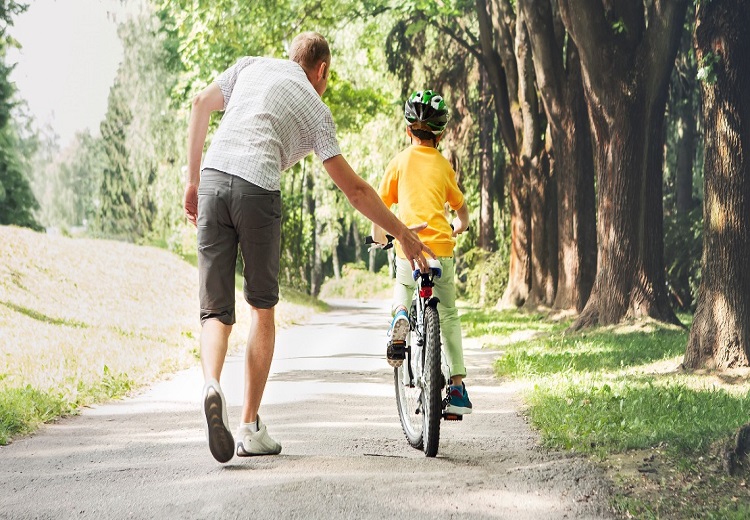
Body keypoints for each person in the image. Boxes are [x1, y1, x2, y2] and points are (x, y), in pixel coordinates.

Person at [184, 32, 435, 463]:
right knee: (261, 308)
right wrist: (404, 234)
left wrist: (192, 181)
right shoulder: (316, 109)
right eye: (328, 75)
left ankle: (211, 383)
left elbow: (199, 104)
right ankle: (248, 426)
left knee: (215, 310)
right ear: (321, 70)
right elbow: (355, 191)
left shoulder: (250, 66)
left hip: (212, 179)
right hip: (256, 188)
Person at [371, 90, 472, 416]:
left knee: (403, 285)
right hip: (441, 249)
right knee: (449, 315)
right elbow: (460, 207)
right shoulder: (444, 166)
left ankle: (401, 314)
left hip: (408, 246)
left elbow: (381, 207)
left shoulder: (399, 161)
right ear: (440, 135)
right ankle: (456, 387)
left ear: (407, 131)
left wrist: (380, 237)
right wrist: (461, 224)